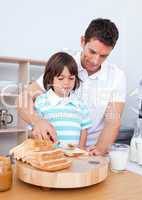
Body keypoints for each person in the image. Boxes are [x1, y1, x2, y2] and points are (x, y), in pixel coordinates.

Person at [16, 18, 126, 155]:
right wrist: (37, 121)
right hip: (53, 148)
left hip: (88, 150)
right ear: (82, 41)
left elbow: (112, 121)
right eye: (92, 52)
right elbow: (23, 98)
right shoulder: (64, 64)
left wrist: (99, 149)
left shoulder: (116, 77)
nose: (95, 60)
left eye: (103, 56)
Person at [34, 52, 92, 149]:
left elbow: (84, 130)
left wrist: (81, 151)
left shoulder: (80, 103)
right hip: (50, 155)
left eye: (71, 78)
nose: (66, 83)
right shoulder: (41, 101)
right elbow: (35, 130)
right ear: (50, 79)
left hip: (74, 155)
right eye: (61, 78)